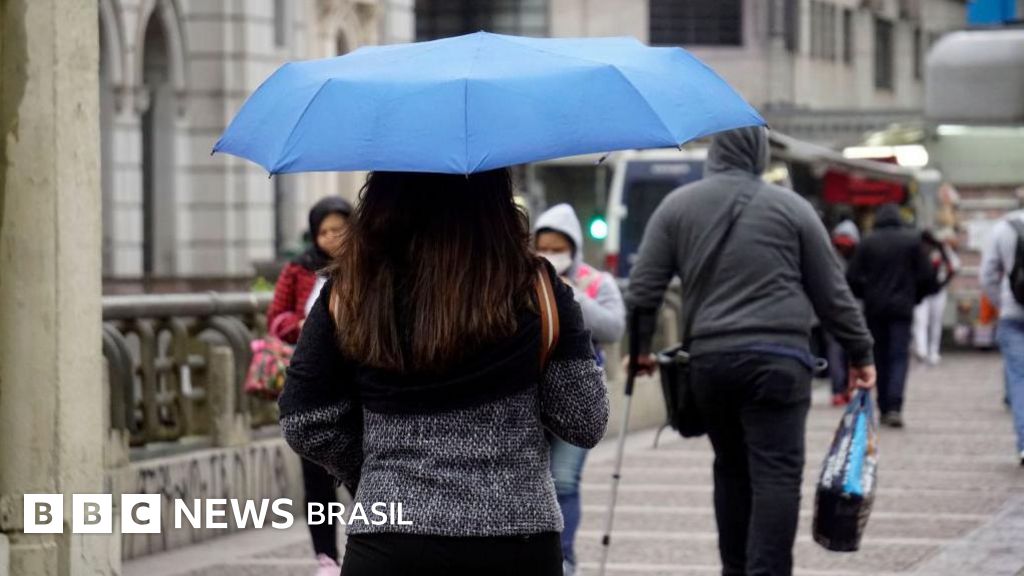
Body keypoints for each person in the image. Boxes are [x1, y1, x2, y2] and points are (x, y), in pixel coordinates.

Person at [278, 169, 609, 575]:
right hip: (515, 538)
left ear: (382, 196)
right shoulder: (535, 288)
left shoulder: (350, 290)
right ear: (496, 198)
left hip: (390, 540)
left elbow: (303, 418)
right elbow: (584, 421)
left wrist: (376, 471)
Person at [627, 127, 876, 576]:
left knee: (730, 468)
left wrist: (642, 349)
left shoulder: (676, 207)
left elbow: (644, 291)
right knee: (776, 474)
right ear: (760, 154)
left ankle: (735, 569)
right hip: (780, 361)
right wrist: (861, 354)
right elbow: (833, 294)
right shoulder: (793, 209)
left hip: (712, 363)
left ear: (715, 153)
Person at [533, 203, 625, 576]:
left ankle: (565, 558)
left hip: (578, 393)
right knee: (536, 479)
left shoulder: (596, 281)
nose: (551, 254)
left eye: (558, 247)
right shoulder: (526, 278)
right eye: (544, 246)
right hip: (532, 394)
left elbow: (614, 328)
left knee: (566, 479)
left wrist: (573, 297)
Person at [267, 195, 352, 576]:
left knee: (361, 472)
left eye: (340, 229)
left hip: (354, 383)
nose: (333, 237)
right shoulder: (299, 270)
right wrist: (301, 327)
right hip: (312, 380)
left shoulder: (366, 267)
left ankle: (374, 538)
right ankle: (325, 556)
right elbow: (276, 317)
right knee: (315, 476)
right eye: (325, 231)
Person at [846, 203, 936, 428]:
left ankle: (883, 404)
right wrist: (915, 297)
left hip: (875, 309)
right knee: (898, 356)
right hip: (902, 310)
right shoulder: (912, 242)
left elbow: (852, 277)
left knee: (878, 356)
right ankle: (895, 406)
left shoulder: (867, 242)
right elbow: (927, 276)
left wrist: (865, 295)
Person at [979, 208, 1024, 466]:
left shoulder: (1004, 227)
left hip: (1013, 314)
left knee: (1019, 379)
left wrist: (1001, 303)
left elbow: (986, 275)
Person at [913, 229, 960, 366]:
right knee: (921, 321)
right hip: (923, 291)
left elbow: (954, 266)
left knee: (933, 322)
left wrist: (944, 282)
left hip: (936, 291)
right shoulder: (917, 249)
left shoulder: (941, 248)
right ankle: (922, 350)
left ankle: (932, 351)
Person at [827, 219, 860, 406]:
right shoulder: (857, 257)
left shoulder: (829, 256)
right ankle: (843, 389)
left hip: (833, 309)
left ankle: (841, 389)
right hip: (849, 310)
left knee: (837, 351)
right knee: (844, 351)